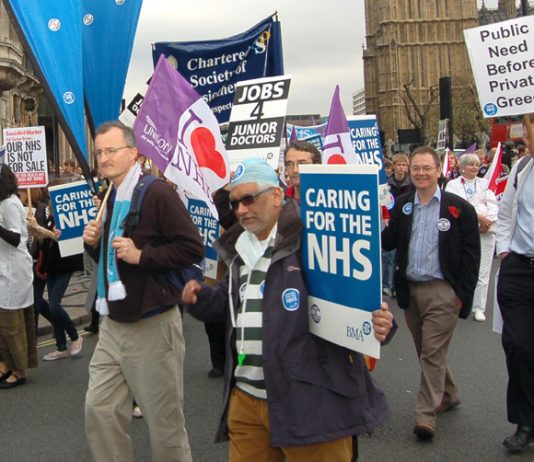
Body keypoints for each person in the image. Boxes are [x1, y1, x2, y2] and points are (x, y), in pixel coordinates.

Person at [182, 157, 395, 461]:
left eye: (249, 199)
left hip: (309, 401)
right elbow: (234, 308)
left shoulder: (315, 238)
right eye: (235, 203)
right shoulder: (239, 248)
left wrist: (380, 323)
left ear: (277, 196)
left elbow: (358, 303)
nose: (241, 209)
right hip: (246, 398)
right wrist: (201, 299)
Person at [83, 121, 203, 462]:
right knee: (100, 409)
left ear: (133, 153)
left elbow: (192, 248)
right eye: (99, 152)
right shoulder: (110, 194)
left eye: (111, 150)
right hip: (113, 323)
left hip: (152, 324)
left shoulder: (156, 193)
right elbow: (112, 258)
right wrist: (94, 244)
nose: (104, 158)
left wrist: (142, 255)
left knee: (164, 423)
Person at [382, 146, 480, 440]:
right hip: (410, 292)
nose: (420, 173)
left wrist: (461, 294)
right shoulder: (402, 205)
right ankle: (448, 393)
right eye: (416, 169)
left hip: (442, 292)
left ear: (439, 171)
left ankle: (425, 414)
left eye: (427, 168)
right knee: (426, 350)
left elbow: (471, 255)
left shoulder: (458, 208)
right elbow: (388, 241)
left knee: (431, 351)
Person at [496, 116, 534, 453]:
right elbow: (505, 212)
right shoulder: (523, 168)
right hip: (521, 267)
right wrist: (506, 251)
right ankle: (526, 421)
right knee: (519, 345)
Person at [445, 154, 498, 322]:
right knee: (462, 267)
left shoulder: (484, 184)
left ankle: (479, 307)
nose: (475, 168)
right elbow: (456, 207)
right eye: (471, 165)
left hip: (486, 232)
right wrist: (478, 217)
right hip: (464, 233)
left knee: (483, 271)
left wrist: (485, 221)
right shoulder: (453, 185)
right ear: (462, 167)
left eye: (477, 165)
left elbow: (494, 204)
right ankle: (458, 301)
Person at [0, 164, 37, 389]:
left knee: (11, 325)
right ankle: (5, 363)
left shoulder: (11, 203)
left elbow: (14, 237)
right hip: (5, 270)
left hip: (14, 274)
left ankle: (19, 370)